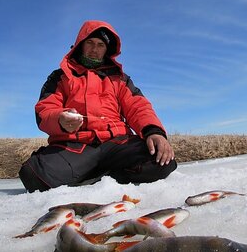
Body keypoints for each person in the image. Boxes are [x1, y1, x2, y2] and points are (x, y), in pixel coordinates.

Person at [19, 20, 177, 193]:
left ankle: (91, 177)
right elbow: (44, 111)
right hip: (75, 146)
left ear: (106, 49)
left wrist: (154, 132)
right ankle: (101, 175)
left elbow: (138, 106)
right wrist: (60, 119)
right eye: (90, 43)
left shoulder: (120, 79)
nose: (95, 49)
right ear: (80, 44)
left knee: (163, 160)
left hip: (117, 144)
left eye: (100, 45)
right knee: (33, 173)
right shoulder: (59, 77)